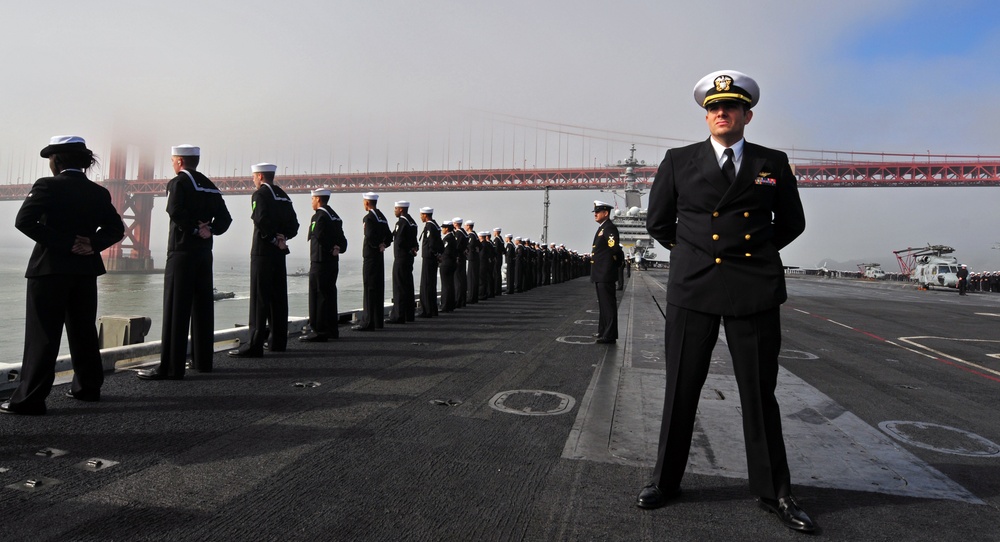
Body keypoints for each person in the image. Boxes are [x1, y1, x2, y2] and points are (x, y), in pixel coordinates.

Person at [640, 70, 813, 533]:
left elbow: (792, 222)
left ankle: (775, 491)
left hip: (753, 288)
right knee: (681, 387)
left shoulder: (771, 162)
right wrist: (696, 252)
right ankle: (665, 481)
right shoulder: (678, 160)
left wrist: (751, 253)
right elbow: (659, 223)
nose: (721, 112)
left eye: (731, 107)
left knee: (759, 393)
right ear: (706, 115)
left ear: (746, 114)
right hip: (694, 287)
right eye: (713, 108)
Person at [1, 136, 125, 415]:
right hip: (84, 270)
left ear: (57, 161)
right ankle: (88, 389)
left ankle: (30, 400)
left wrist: (65, 243)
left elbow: (24, 221)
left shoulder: (47, 185)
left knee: (43, 335)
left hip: (49, 270)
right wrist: (91, 244)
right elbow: (116, 229)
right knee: (83, 330)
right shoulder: (99, 192)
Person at [138, 144, 232, 380]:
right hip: (204, 254)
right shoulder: (210, 186)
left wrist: (192, 228)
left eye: (172, 160)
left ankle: (171, 367)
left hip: (181, 253)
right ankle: (203, 362)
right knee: (203, 307)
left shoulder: (178, 182)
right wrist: (209, 229)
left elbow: (174, 210)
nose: (172, 164)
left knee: (175, 310)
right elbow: (226, 218)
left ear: (179, 161)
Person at [229, 163, 298, 357]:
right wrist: (283, 238)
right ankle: (278, 342)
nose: (252, 179)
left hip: (262, 253)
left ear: (259, 176)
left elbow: (259, 219)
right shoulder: (284, 196)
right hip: (279, 254)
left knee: (259, 299)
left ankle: (254, 344)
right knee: (278, 298)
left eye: (253, 176)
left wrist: (274, 239)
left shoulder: (259, 195)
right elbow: (295, 224)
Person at [300, 189, 347, 342]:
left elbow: (319, 235)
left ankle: (318, 331)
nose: (311, 202)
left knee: (317, 296)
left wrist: (329, 248)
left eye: (312, 199)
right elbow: (343, 240)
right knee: (330, 295)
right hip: (333, 263)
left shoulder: (319, 216)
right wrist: (338, 248)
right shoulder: (336, 217)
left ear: (318, 199)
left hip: (319, 262)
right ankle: (332, 330)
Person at [353, 192, 392, 330]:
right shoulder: (382, 217)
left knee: (369, 287)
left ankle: (367, 322)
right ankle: (377, 321)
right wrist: (384, 245)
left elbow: (369, 235)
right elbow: (389, 236)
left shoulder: (369, 217)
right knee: (378, 287)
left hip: (370, 256)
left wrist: (377, 245)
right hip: (379, 256)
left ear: (367, 202)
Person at [591, 201, 624, 344]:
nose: (596, 214)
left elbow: (615, 249)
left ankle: (609, 335)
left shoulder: (609, 228)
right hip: (600, 273)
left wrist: (613, 266)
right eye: (595, 212)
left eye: (598, 212)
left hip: (605, 273)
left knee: (608, 305)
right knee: (603, 304)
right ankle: (603, 330)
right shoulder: (602, 228)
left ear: (606, 213)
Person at [387, 201, 419, 323]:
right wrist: (413, 248)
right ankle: (409, 315)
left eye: (395, 208)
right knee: (408, 286)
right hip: (409, 257)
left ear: (401, 209)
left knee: (399, 286)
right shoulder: (413, 222)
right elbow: (414, 240)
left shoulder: (401, 222)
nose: (394, 210)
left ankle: (398, 316)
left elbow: (399, 239)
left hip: (401, 257)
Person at [418, 207, 443, 317]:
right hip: (433, 258)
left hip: (429, 257)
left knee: (426, 284)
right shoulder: (436, 225)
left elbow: (431, 243)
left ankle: (427, 311)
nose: (420, 217)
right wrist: (439, 254)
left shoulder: (429, 226)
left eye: (421, 215)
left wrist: (435, 253)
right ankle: (432, 309)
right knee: (432, 284)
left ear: (425, 215)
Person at [438, 220, 458, 312]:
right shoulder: (453, 237)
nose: (442, 230)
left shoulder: (448, 238)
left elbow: (446, 251)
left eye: (443, 228)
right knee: (450, 285)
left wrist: (440, 257)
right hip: (452, 263)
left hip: (446, 263)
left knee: (445, 285)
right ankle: (450, 305)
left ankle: (445, 305)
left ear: (446, 228)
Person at [464, 219, 480, 304]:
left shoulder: (471, 235)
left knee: (471, 278)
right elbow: (479, 246)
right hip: (474, 258)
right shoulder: (475, 235)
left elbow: (470, 245)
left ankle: (471, 297)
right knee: (473, 277)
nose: (465, 227)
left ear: (468, 226)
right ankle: (473, 296)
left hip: (472, 258)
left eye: (465, 225)